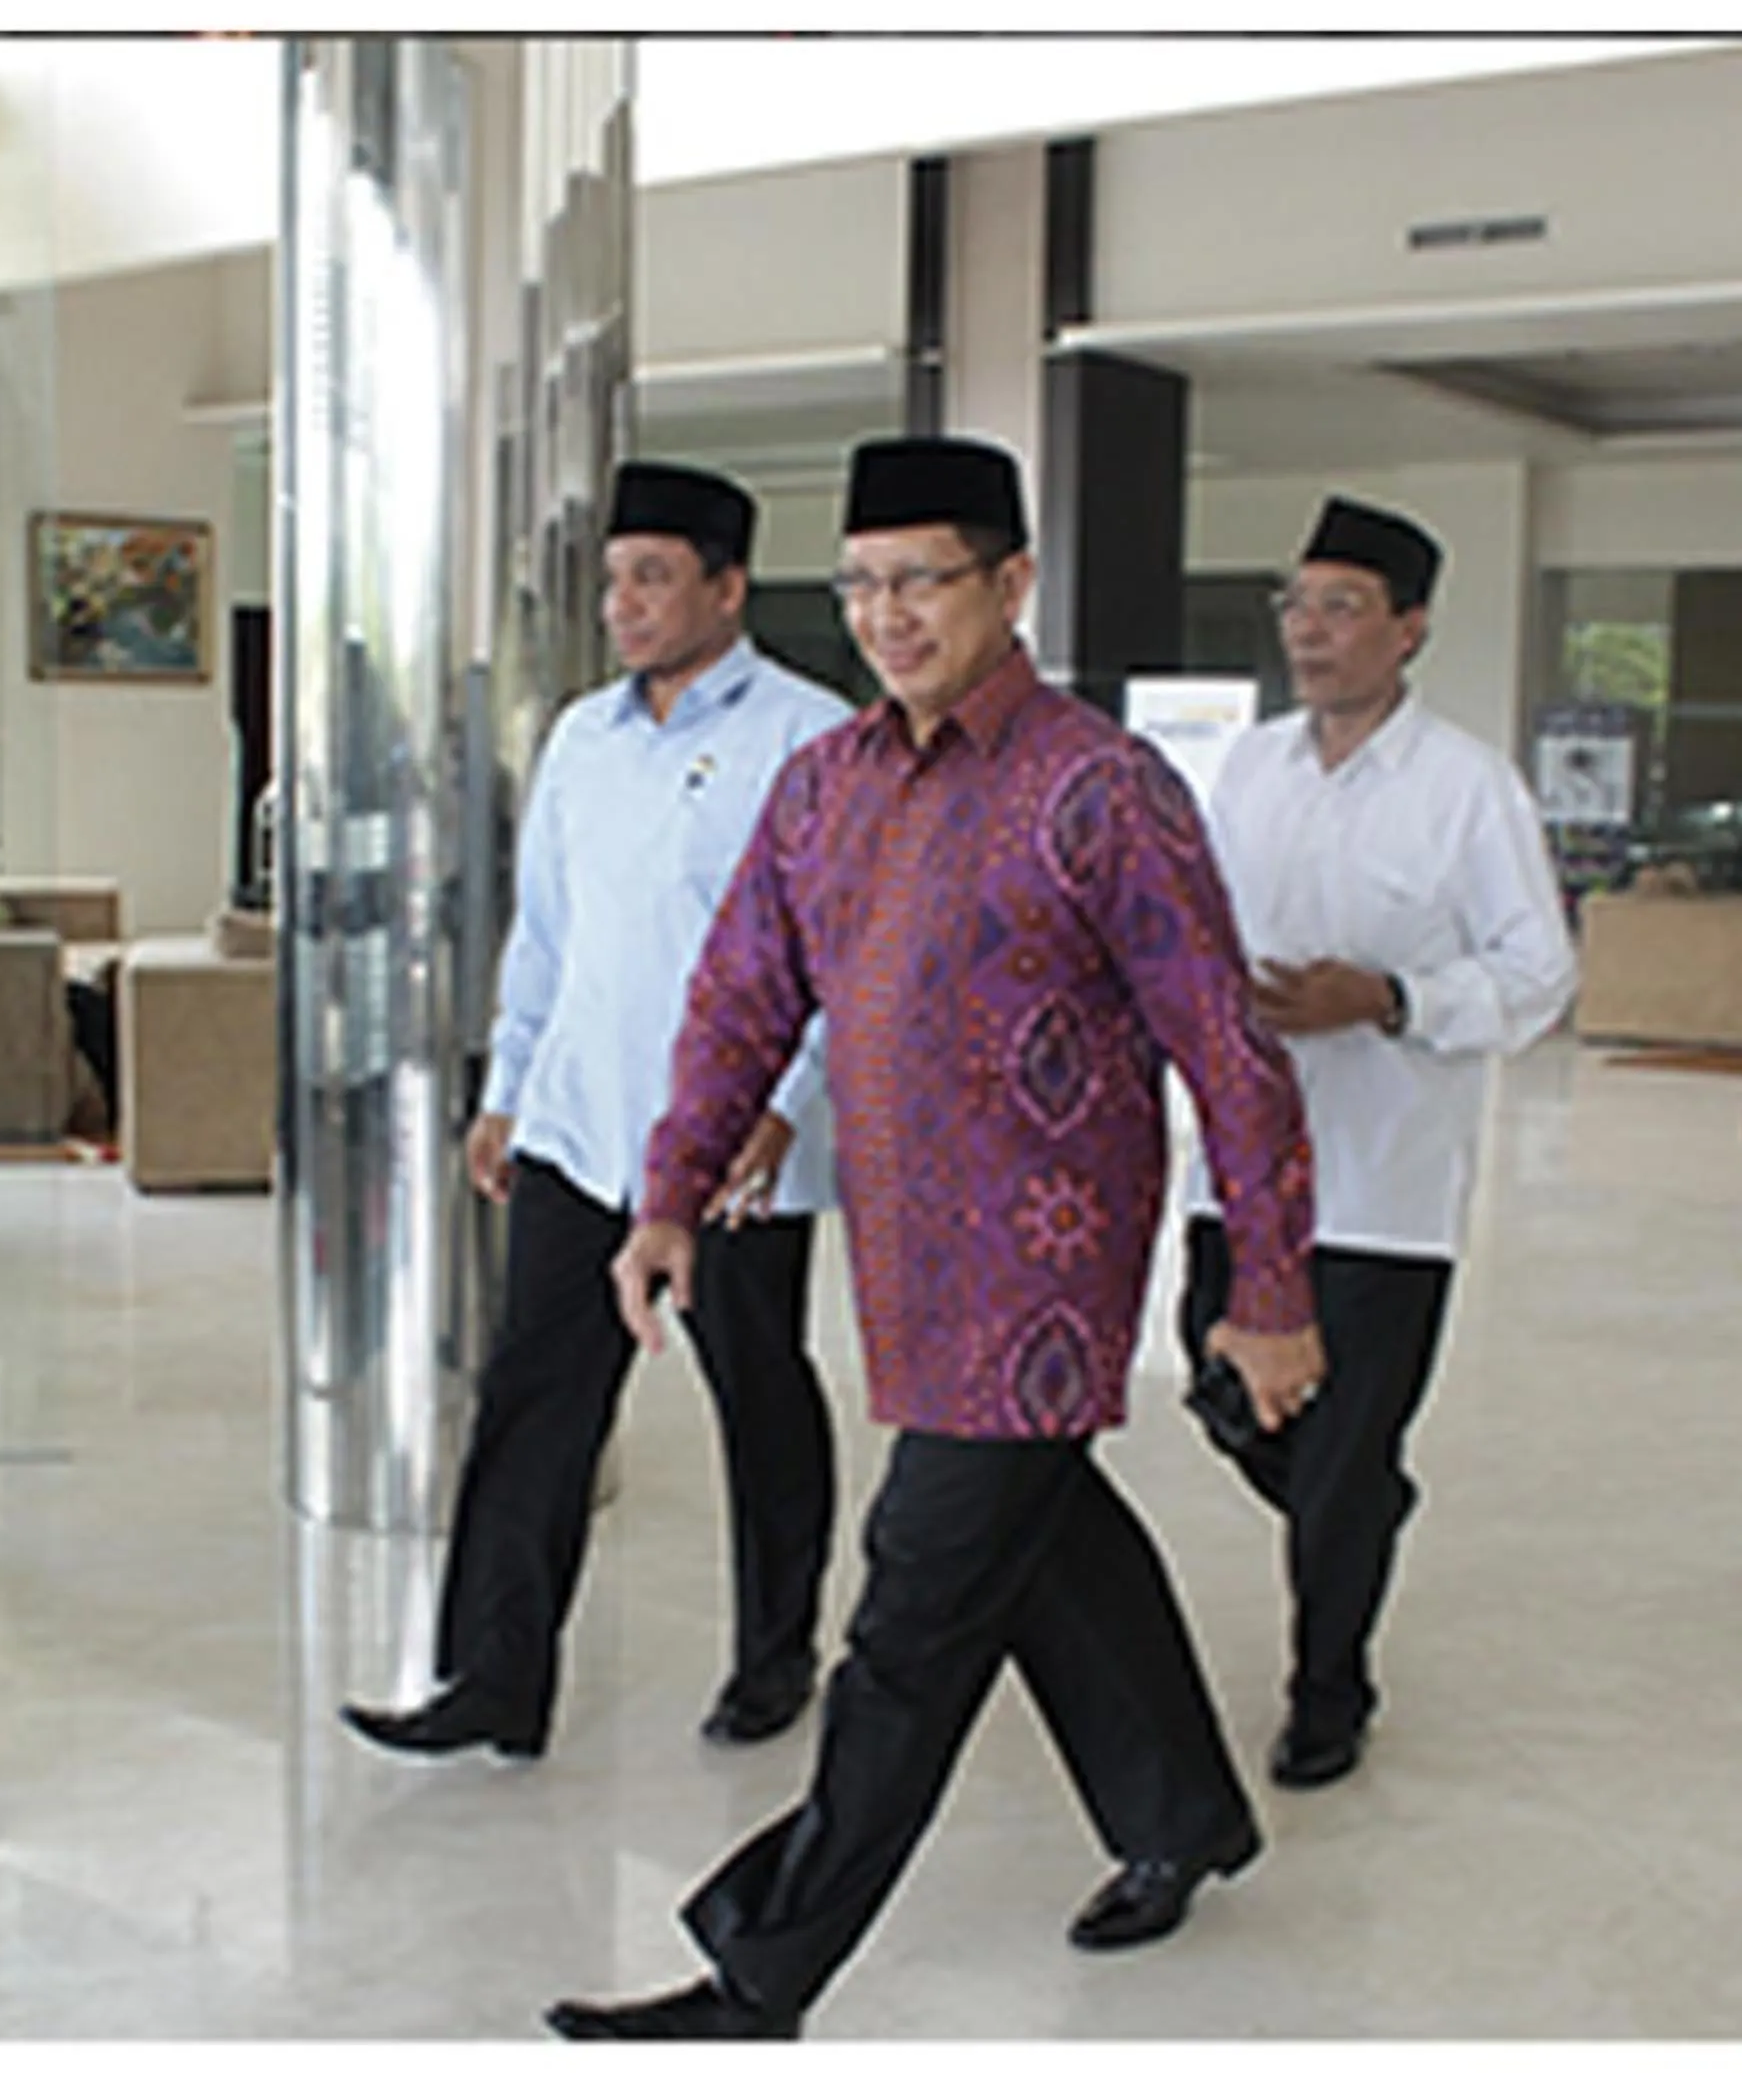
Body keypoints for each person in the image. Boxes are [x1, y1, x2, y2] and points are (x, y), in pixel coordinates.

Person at [546, 436, 1324, 2041]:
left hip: (1043, 1280)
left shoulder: (1102, 788)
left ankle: (763, 1974)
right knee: (1051, 1554)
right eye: (863, 584)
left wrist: (1273, 1287)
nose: (888, 615)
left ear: (1011, 586)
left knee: (909, 1619)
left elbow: (1229, 1052)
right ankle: (1183, 1814)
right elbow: (740, 1000)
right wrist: (672, 1194)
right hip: (906, 1270)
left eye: (923, 580)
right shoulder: (822, 785)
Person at [341, 461, 852, 1762]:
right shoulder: (582, 735)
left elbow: (844, 955)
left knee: (759, 1396)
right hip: (580, 1132)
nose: (623, 602)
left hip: (731, 1142)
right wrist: (508, 1088)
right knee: (535, 1401)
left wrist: (787, 1104)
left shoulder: (809, 737)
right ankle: (494, 1680)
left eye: (654, 576)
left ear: (728, 589)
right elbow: (549, 935)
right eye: (614, 577)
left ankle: (776, 1653)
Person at [1175, 496, 1578, 1789]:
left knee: (1345, 1461)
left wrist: (1393, 1000)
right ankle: (1361, 1511)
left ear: (1409, 630)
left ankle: (1328, 1692)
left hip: (1386, 1190)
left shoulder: (1469, 790)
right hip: (1236, 1174)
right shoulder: (1249, 768)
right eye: (1296, 602)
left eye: (1343, 606)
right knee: (1219, 1388)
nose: (1310, 628)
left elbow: (1540, 971)